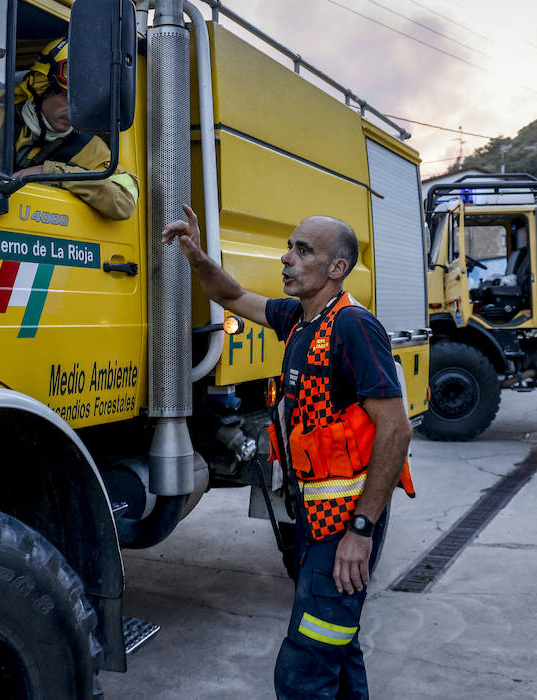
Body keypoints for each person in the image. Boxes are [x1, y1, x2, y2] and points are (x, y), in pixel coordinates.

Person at [161, 204, 414, 699]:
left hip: (344, 526)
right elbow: (231, 295)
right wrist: (194, 254)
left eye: (303, 251)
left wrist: (360, 532)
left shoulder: (354, 328)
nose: (286, 259)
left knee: (304, 670)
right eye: (290, 247)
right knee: (338, 651)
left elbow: (396, 431)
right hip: (314, 520)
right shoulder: (299, 319)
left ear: (336, 269)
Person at [12, 37, 139, 221]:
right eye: (66, 96)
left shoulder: (88, 147)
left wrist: (50, 172)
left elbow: (125, 201)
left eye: (81, 101)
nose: (74, 110)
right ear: (40, 89)